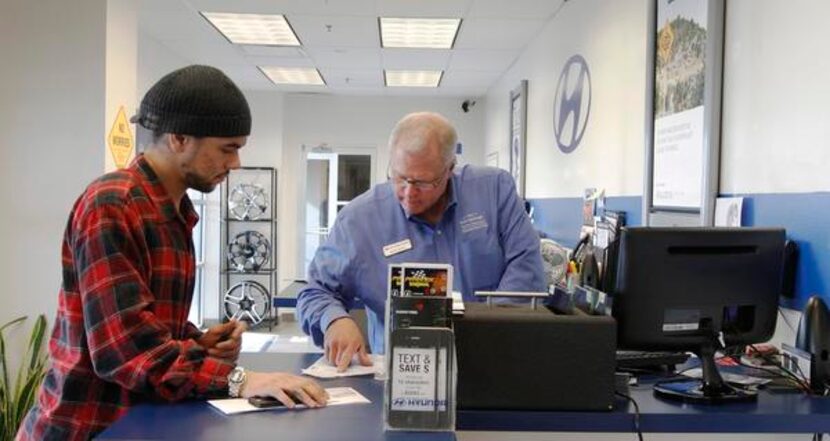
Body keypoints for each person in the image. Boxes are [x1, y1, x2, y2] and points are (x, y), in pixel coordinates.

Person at [18, 65, 326, 441]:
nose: (235, 164)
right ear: (179, 138)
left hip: (144, 422)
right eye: (227, 149)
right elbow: (124, 351)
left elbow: (148, 326)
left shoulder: (176, 212)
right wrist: (241, 379)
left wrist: (197, 341)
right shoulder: (113, 205)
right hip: (89, 427)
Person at [297, 112, 546, 371]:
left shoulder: (494, 191)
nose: (408, 192)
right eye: (400, 177)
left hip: (493, 363)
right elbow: (315, 292)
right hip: (401, 378)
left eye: (424, 182)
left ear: (450, 169)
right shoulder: (358, 221)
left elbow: (526, 270)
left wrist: (485, 333)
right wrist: (335, 320)